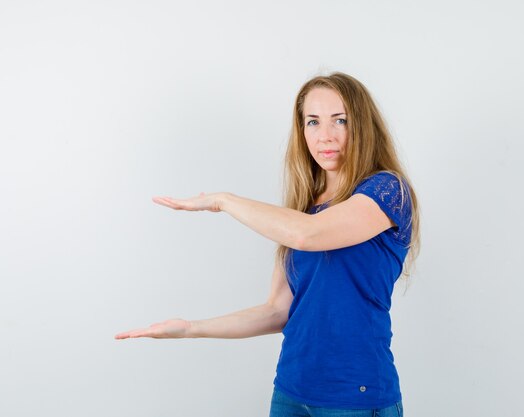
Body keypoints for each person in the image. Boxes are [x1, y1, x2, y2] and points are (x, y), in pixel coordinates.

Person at [115, 72, 421, 417]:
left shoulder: (387, 190)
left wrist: (223, 201)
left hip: (355, 396)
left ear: (363, 126)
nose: (325, 136)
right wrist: (191, 328)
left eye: (341, 121)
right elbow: (278, 310)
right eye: (312, 122)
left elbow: (309, 234)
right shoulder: (303, 208)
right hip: (291, 391)